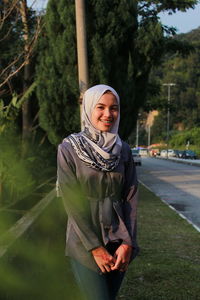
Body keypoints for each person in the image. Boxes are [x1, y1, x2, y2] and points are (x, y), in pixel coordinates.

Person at [57, 84, 139, 300]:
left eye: (114, 108)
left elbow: (130, 198)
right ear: (89, 108)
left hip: (118, 241)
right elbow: (71, 202)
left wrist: (128, 243)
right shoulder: (69, 148)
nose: (108, 114)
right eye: (100, 107)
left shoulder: (124, 150)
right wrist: (95, 248)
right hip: (84, 242)